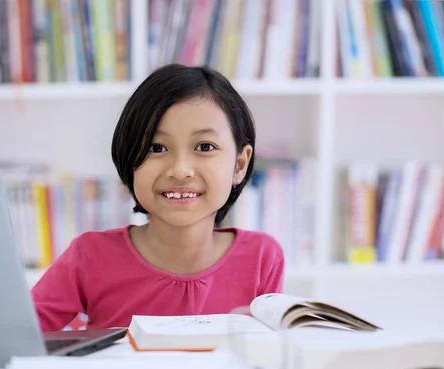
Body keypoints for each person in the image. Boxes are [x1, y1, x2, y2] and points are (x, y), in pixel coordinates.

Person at [31, 64, 285, 331]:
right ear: (129, 160)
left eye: (205, 147)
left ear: (239, 165)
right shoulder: (88, 257)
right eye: (156, 147)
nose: (180, 170)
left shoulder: (261, 258)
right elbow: (19, 336)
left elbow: (268, 354)